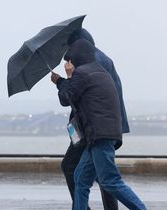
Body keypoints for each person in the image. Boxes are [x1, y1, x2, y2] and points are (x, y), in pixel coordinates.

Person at [53, 39, 146, 210]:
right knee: (80, 179)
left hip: (99, 136)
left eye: (70, 60)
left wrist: (65, 78)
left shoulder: (82, 73)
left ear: (77, 58)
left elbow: (67, 98)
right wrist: (64, 81)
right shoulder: (100, 72)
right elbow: (78, 95)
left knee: (111, 181)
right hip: (101, 135)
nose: (68, 63)